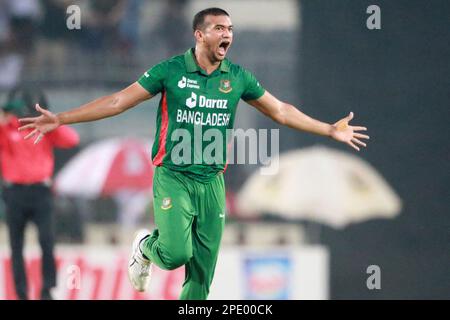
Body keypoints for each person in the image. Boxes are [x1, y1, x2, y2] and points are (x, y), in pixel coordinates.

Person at [18, 8, 370, 300]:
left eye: (230, 29)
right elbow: (117, 101)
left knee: (201, 281)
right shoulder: (170, 71)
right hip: (174, 176)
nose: (227, 35)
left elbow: (280, 110)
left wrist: (328, 128)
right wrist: (62, 118)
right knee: (175, 254)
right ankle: (145, 247)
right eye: (219, 28)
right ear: (199, 35)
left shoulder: (238, 77)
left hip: (212, 182)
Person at [1, 86, 79, 299]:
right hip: (14, 193)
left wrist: (52, 122)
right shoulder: (7, 130)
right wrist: (4, 120)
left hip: (41, 193)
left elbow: (72, 140)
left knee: (47, 240)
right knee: (16, 246)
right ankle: (21, 293)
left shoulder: (45, 130)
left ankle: (47, 289)